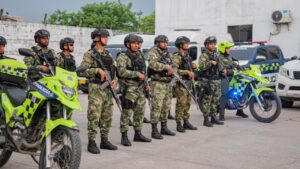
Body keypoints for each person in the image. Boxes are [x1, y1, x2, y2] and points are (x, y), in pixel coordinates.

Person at [77, 29, 118, 154]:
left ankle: (104, 140)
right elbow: (82, 71)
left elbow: (113, 70)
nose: (106, 38)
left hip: (108, 89)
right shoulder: (90, 54)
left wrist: (115, 80)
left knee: (107, 115)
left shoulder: (108, 54)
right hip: (96, 88)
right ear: (96, 38)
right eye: (103, 36)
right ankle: (92, 142)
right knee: (94, 115)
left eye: (106, 36)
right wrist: (96, 71)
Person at [117, 34, 152, 146]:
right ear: (128, 44)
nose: (137, 45)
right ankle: (124, 136)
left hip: (141, 88)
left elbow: (144, 71)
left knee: (140, 112)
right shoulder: (123, 56)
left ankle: (138, 133)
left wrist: (146, 84)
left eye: (138, 43)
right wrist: (136, 74)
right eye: (134, 43)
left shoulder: (140, 55)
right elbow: (121, 72)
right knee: (127, 112)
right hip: (129, 88)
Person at [148, 35, 176, 139]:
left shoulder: (168, 54)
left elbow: (173, 65)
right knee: (157, 106)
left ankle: (164, 127)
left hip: (168, 83)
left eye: (166, 42)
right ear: (157, 43)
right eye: (163, 42)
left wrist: (172, 70)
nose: (165, 44)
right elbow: (152, 64)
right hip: (157, 83)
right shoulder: (153, 52)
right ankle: (154, 130)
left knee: (166, 106)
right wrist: (165, 67)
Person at [172, 36, 198, 132]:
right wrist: (187, 72)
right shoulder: (176, 56)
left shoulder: (187, 56)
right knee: (181, 103)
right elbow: (174, 70)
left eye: (187, 43)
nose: (187, 45)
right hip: (182, 83)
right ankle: (179, 124)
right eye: (185, 43)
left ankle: (186, 121)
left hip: (189, 82)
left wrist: (193, 67)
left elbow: (189, 67)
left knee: (187, 103)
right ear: (180, 45)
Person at [197, 36, 224, 127]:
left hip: (216, 80)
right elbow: (201, 67)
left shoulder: (216, 55)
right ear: (206, 45)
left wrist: (223, 70)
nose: (213, 46)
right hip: (208, 80)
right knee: (207, 101)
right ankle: (206, 119)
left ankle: (213, 117)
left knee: (215, 100)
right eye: (211, 44)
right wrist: (210, 63)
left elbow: (219, 65)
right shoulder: (204, 55)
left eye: (214, 44)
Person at [218, 42, 248, 120]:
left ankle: (239, 110)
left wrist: (243, 68)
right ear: (223, 49)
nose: (229, 50)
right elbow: (222, 70)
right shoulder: (219, 57)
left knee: (240, 90)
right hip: (223, 77)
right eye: (227, 48)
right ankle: (221, 114)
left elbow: (234, 65)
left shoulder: (229, 57)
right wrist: (231, 71)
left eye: (229, 48)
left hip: (231, 76)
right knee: (225, 93)